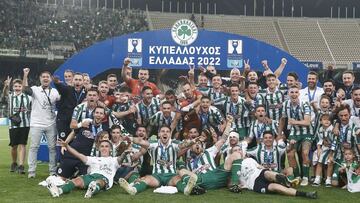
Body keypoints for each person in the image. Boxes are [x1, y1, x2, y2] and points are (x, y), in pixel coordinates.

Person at [118, 125, 198, 195]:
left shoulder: (174, 143)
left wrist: (192, 142)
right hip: (157, 176)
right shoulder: (153, 143)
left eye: (167, 131)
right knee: (146, 179)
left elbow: (183, 145)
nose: (165, 133)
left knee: (178, 180)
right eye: (162, 131)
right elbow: (140, 141)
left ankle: (186, 189)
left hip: (171, 175)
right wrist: (130, 138)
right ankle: (133, 189)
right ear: (159, 134)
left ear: (170, 134)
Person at [47, 139, 129, 198]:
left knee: (99, 182)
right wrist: (67, 146)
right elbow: (78, 155)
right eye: (102, 146)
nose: (104, 148)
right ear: (99, 148)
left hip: (104, 178)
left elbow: (120, 159)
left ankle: (92, 190)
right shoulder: (93, 159)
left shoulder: (113, 160)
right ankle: (58, 191)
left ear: (110, 149)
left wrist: (124, 153)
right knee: (76, 180)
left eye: (106, 146)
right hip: (91, 176)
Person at [23, 68, 61, 178]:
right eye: (43, 77)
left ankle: (53, 171)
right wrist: (25, 75)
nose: (45, 78)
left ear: (50, 79)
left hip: (51, 123)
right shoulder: (35, 89)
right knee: (34, 147)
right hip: (36, 123)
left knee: (52, 148)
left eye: (47, 77)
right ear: (40, 79)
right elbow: (25, 89)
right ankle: (31, 171)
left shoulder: (54, 91)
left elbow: (61, 101)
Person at [57, 106, 109, 179]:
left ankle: (76, 174)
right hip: (72, 154)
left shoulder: (105, 129)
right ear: (93, 114)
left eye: (101, 113)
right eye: (97, 112)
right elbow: (73, 133)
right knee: (60, 179)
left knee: (84, 181)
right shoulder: (85, 123)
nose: (98, 115)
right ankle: (72, 173)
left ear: (103, 116)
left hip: (86, 159)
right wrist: (65, 144)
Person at [278, 85, 312, 186]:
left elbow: (307, 122)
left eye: (295, 92)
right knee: (290, 154)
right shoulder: (285, 105)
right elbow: (283, 120)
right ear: (288, 94)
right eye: (291, 92)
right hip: (294, 133)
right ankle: (297, 176)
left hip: (306, 132)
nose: (293, 94)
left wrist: (294, 122)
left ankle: (306, 177)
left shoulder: (305, 104)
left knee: (305, 153)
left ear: (299, 93)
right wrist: (279, 134)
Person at [237, 156, 317, 199]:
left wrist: (267, 169)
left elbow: (259, 167)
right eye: (235, 150)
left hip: (260, 173)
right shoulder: (234, 168)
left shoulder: (249, 160)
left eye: (239, 150)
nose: (238, 152)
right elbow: (233, 182)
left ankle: (288, 182)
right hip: (254, 184)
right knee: (275, 187)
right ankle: (306, 194)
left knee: (268, 173)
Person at [1, 76, 31, 174]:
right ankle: (14, 163)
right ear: (13, 87)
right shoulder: (10, 95)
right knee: (14, 146)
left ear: (22, 87)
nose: (17, 88)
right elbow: (4, 93)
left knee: (23, 144)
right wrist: (6, 85)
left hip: (25, 124)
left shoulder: (28, 97)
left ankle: (21, 165)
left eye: (19, 86)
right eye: (15, 86)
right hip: (13, 125)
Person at [53, 72, 86, 142]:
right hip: (64, 122)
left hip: (77, 122)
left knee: (76, 144)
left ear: (83, 82)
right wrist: (56, 82)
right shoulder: (67, 89)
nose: (78, 82)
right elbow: (60, 87)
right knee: (63, 143)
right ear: (72, 80)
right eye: (76, 79)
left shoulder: (86, 92)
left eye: (80, 80)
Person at [312, 114, 334, 187]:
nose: (327, 121)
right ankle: (317, 178)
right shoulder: (321, 129)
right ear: (321, 121)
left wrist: (331, 153)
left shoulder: (332, 129)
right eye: (324, 119)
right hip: (324, 148)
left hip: (333, 149)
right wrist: (318, 149)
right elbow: (320, 139)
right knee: (319, 161)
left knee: (329, 162)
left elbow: (335, 141)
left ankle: (328, 179)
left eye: (328, 119)